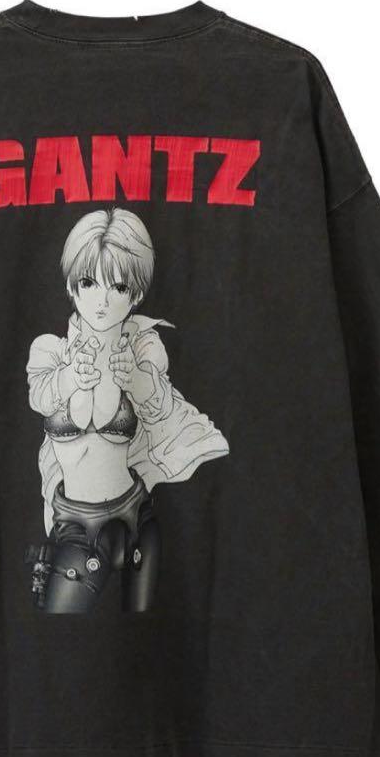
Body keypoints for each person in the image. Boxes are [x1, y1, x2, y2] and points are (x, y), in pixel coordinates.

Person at [25, 208, 229, 613]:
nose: (101, 300)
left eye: (118, 286)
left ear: (135, 295)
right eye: (89, 282)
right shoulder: (50, 350)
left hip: (136, 519)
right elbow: (40, 397)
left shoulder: (145, 347)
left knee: (155, 639)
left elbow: (161, 407)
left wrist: (137, 380)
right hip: (73, 525)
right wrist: (70, 378)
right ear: (71, 286)